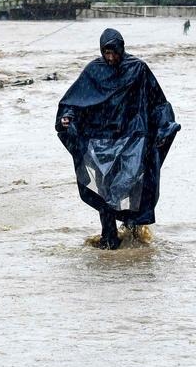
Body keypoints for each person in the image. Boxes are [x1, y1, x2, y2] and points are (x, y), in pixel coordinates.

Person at [56, 29, 180, 249]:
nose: (111, 57)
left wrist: (164, 126)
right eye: (106, 52)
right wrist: (68, 117)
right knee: (104, 188)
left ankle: (133, 233)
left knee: (133, 184)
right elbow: (74, 101)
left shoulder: (138, 69)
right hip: (102, 142)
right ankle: (109, 237)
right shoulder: (94, 71)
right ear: (101, 50)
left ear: (122, 49)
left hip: (133, 140)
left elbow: (158, 102)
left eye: (114, 52)